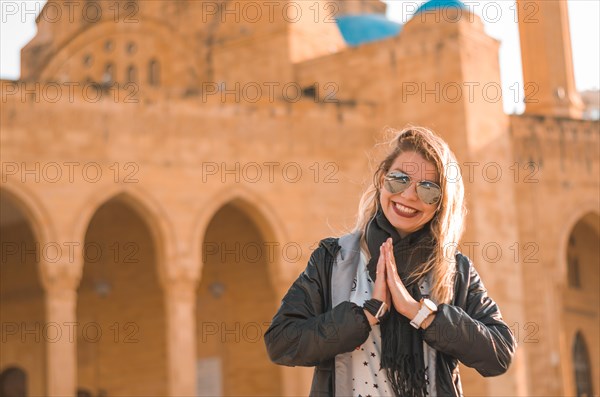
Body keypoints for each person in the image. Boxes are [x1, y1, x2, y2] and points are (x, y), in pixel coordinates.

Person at [264, 126, 517, 397]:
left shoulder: (455, 270)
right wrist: (365, 315)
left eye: (428, 189)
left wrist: (421, 314)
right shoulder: (333, 259)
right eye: (399, 179)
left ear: (441, 203)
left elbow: (499, 353)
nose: (409, 195)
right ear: (382, 179)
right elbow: (282, 341)